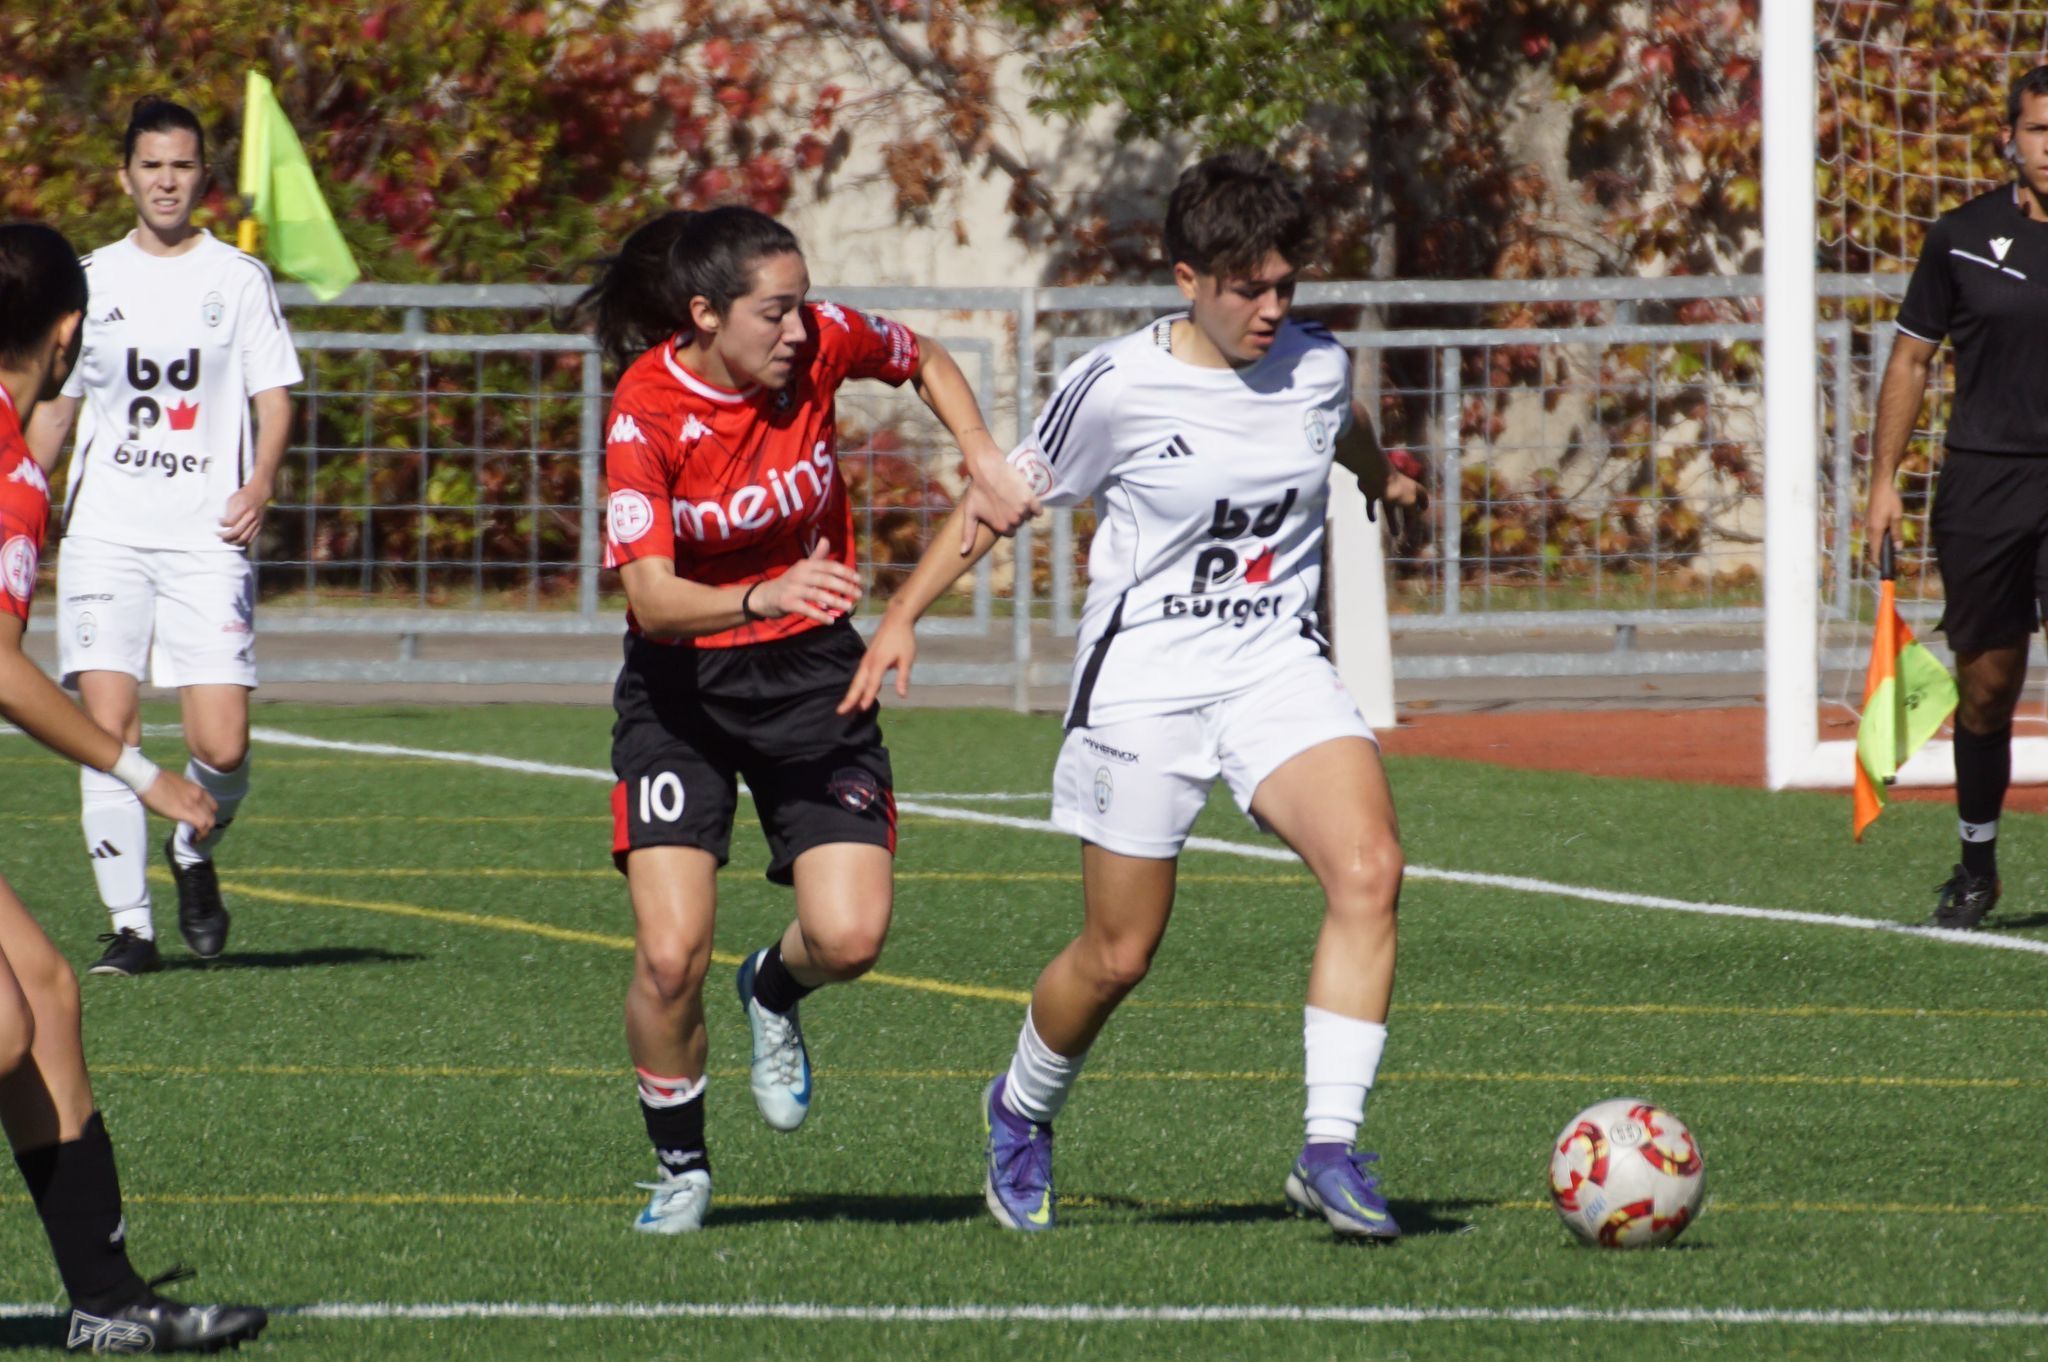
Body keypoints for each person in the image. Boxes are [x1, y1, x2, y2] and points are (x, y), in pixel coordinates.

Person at [843, 152, 1421, 1237]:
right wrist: (901, 613)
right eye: (1246, 287)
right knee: (1118, 954)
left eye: (1284, 285)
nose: (1269, 307)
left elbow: (1333, 427)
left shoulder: (1313, 364)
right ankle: (1018, 1108)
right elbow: (997, 501)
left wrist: (1377, 473)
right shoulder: (1114, 386)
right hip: (1143, 686)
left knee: (1369, 868)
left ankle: (1329, 1147)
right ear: (1186, 278)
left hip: (1272, 667)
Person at [574, 206, 1036, 1234]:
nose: (799, 329)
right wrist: (763, 592)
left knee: (851, 935)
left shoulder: (821, 339)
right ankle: (682, 1168)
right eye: (772, 312)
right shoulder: (645, 413)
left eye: (799, 306)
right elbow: (649, 598)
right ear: (705, 314)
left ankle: (771, 989)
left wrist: (980, 453)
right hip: (680, 694)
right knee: (664, 955)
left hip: (808, 678)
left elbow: (923, 359)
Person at [0, 220, 267, 1352]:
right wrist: (139, 769)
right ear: (69, 338)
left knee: (49, 996)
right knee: (1, 1030)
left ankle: (108, 1306)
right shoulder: (11, 478)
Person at [24, 97, 302, 976]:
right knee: (109, 727)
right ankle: (131, 929)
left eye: (181, 166)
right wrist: (20, 503)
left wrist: (259, 480)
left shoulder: (237, 278)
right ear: (126, 176)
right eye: (151, 166)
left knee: (221, 744)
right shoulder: (90, 278)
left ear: (202, 177)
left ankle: (192, 850)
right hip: (106, 534)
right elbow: (56, 409)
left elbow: (274, 396)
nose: (167, 181)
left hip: (205, 537)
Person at [1866, 64, 2048, 930]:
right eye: (2042, 130)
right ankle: (1977, 867)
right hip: (1985, 482)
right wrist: (1880, 484)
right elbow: (1910, 360)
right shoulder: (1961, 237)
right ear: (2011, 139)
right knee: (1987, 686)